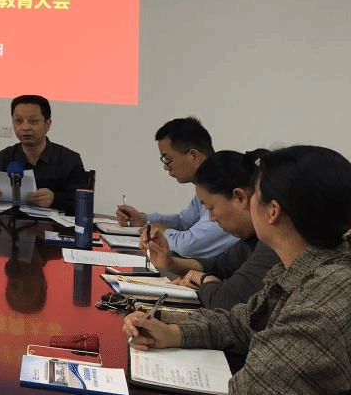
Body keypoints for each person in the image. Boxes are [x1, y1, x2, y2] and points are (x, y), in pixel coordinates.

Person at [123, 144, 351, 395]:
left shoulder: (320, 303)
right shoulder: (303, 268)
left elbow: (255, 386)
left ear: (272, 211)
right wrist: (171, 333)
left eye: (255, 194)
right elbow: (241, 323)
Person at [146, 149, 280, 309]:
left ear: (240, 197)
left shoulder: (274, 244)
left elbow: (227, 300)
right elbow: (220, 266)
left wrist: (204, 280)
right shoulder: (251, 239)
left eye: (211, 208)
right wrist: (171, 263)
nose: (211, 218)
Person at [115, 117, 237, 259]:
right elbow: (184, 222)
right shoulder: (207, 184)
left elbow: (189, 246)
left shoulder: (224, 186)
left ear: (193, 156)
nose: (166, 167)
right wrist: (144, 219)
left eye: (168, 159)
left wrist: (160, 232)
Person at [0, 94, 87, 214]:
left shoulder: (69, 159)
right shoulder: (3, 157)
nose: (25, 127)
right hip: (8, 223)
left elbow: (83, 204)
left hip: (51, 225)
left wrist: (54, 199)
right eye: (18, 121)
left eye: (33, 121)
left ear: (48, 124)